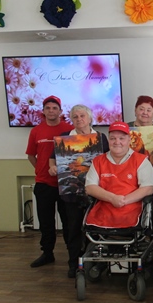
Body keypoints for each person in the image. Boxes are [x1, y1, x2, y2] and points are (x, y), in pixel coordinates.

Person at [49, 104, 110, 278]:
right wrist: (52, 168)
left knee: (97, 227)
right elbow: (52, 159)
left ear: (90, 118)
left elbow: (109, 159)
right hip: (72, 192)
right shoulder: (64, 138)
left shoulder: (101, 137)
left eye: (82, 116)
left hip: (97, 192)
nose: (79, 119)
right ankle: (74, 263)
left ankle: (98, 263)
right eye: (75, 117)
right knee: (73, 228)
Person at [26, 95, 73, 268]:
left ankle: (72, 254)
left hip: (66, 183)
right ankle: (47, 253)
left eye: (54, 108)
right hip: (44, 183)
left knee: (68, 221)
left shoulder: (69, 130)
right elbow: (31, 155)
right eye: (48, 108)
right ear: (43, 111)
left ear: (60, 111)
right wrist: (40, 169)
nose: (51, 111)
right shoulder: (36, 131)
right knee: (46, 222)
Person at [84, 121, 153, 228]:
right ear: (108, 140)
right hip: (103, 211)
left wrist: (123, 201)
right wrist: (112, 198)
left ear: (129, 140)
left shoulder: (141, 160)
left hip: (132, 210)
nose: (117, 142)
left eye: (121, 138)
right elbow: (90, 188)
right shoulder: (98, 161)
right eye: (113, 138)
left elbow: (148, 189)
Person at [127, 95, 153, 240]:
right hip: (131, 179)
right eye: (141, 109)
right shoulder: (126, 128)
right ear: (135, 110)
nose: (145, 113)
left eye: (149, 110)